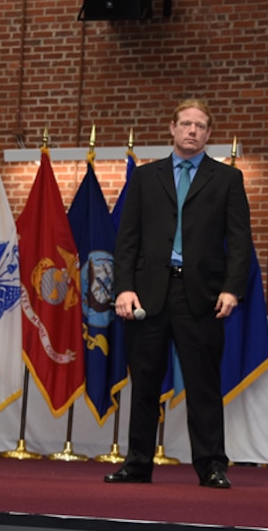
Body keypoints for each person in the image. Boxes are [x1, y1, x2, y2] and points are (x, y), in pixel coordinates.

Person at [105, 98, 253, 488]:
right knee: (145, 384)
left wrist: (232, 290)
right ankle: (137, 463)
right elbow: (127, 240)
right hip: (148, 295)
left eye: (200, 126)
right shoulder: (144, 177)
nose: (192, 131)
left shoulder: (227, 180)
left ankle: (211, 466)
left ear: (208, 133)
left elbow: (239, 242)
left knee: (203, 385)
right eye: (185, 124)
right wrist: (124, 288)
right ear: (172, 129)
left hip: (201, 296)